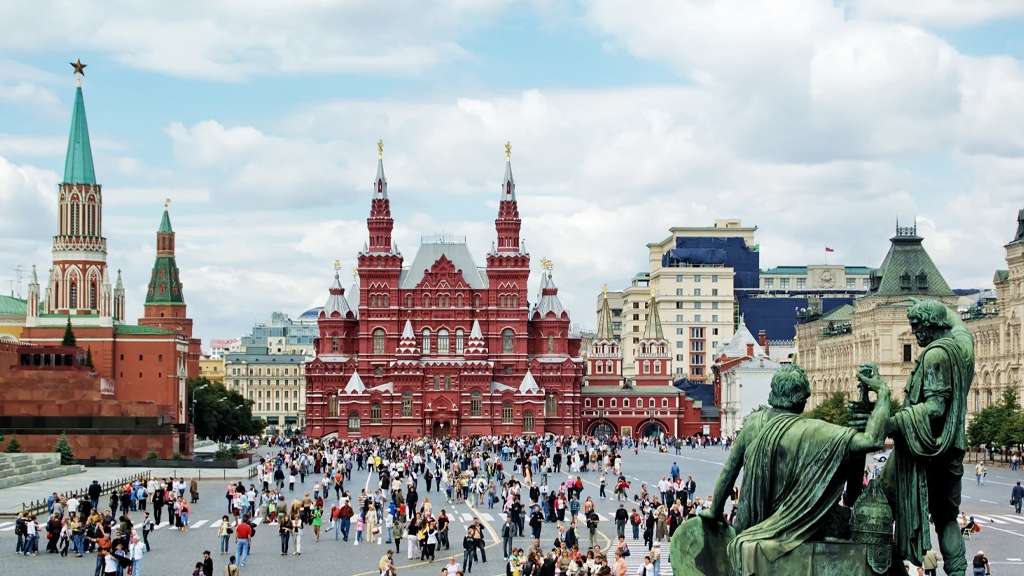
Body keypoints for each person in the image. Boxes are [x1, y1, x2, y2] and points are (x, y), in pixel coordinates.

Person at [702, 364, 891, 572]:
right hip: (803, 528)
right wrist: (883, 393)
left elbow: (729, 471)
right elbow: (872, 440)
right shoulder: (815, 431)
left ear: (773, 393)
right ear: (803, 399)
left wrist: (714, 512)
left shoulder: (753, 423)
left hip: (751, 526)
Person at [876, 300, 976, 575]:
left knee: (880, 502)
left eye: (917, 326)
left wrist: (891, 423)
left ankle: (887, 567)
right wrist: (938, 307)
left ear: (931, 324)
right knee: (947, 518)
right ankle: (957, 572)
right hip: (951, 449)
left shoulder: (935, 355)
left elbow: (936, 407)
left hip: (924, 449)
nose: (914, 333)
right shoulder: (962, 350)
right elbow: (960, 327)